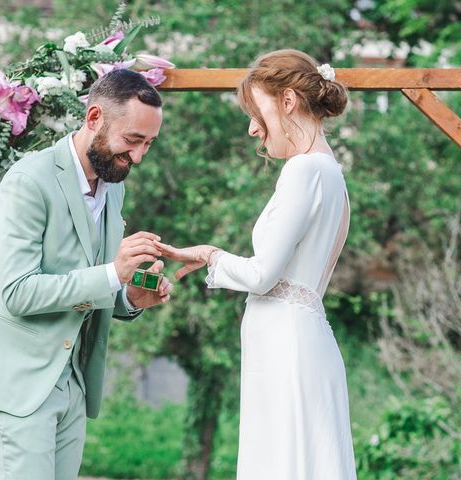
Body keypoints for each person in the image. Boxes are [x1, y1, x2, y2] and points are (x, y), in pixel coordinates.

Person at [0, 69, 173, 480]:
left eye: (149, 144)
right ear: (93, 119)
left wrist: (129, 299)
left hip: (72, 381)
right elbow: (17, 292)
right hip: (16, 384)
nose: (139, 156)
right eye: (132, 140)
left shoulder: (114, 185)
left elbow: (95, 281)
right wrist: (112, 274)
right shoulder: (28, 181)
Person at [157, 49, 356, 479]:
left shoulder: (304, 171)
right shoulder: (330, 172)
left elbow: (263, 276)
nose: (251, 128)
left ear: (288, 102)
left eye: (257, 111)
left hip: (289, 346)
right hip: (294, 341)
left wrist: (209, 254)